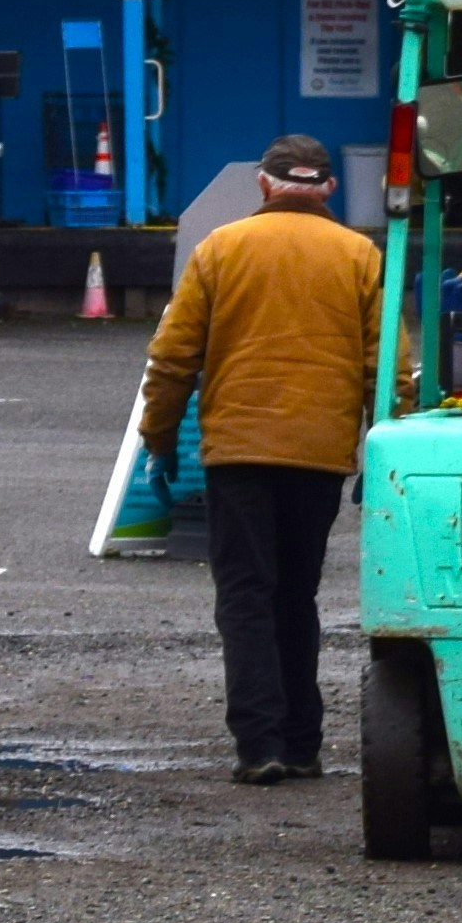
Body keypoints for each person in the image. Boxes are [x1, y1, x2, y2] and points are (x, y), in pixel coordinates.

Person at [135, 129, 382, 783]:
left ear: (264, 184)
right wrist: (382, 448)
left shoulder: (221, 248)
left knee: (246, 594)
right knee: (297, 595)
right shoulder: (361, 255)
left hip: (238, 452)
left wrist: (159, 441)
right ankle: (303, 743)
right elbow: (387, 368)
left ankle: (260, 744)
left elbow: (173, 357)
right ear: (329, 188)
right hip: (321, 454)